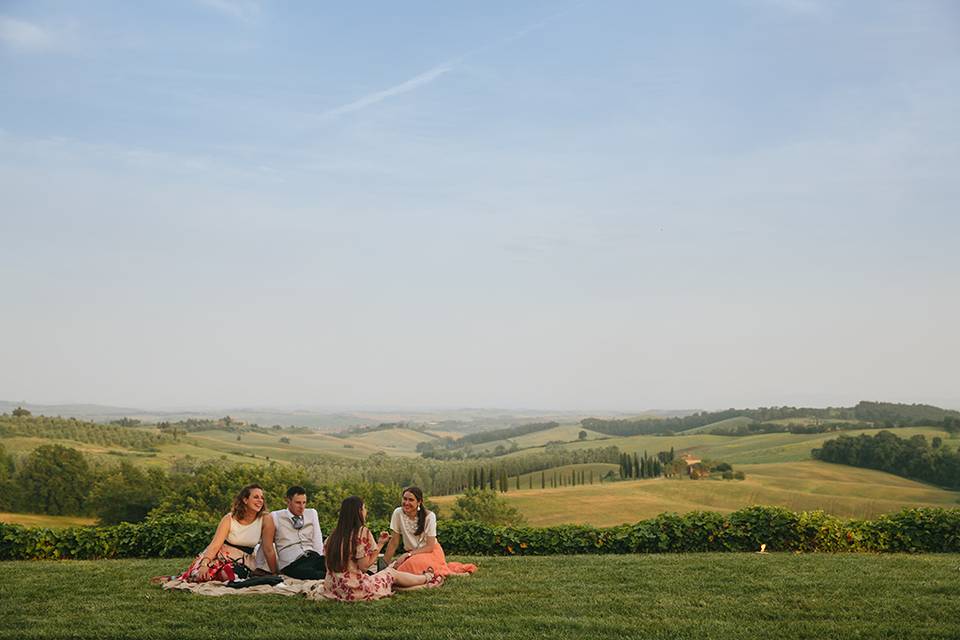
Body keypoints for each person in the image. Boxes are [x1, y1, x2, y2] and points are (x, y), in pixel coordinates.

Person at [309, 496, 437, 602]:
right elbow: (364, 566)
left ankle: (420, 582)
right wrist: (379, 547)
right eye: (364, 508)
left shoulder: (333, 535)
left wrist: (379, 544)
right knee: (391, 573)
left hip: (334, 588)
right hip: (355, 589)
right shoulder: (362, 532)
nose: (366, 511)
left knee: (388, 578)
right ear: (359, 511)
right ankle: (427, 577)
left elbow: (328, 561)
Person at [173, 483, 278, 583]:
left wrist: (274, 573)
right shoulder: (229, 519)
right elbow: (215, 545)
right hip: (219, 556)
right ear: (245, 500)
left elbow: (268, 549)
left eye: (262, 498)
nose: (260, 500)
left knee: (229, 575)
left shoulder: (266, 519)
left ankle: (223, 575)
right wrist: (205, 564)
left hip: (242, 561)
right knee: (200, 576)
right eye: (256, 497)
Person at [383, 486, 477, 577]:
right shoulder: (398, 513)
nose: (406, 503)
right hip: (413, 555)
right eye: (404, 499)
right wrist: (384, 566)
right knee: (395, 567)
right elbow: (393, 542)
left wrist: (407, 555)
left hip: (430, 553)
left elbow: (430, 546)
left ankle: (451, 573)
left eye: (411, 500)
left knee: (407, 567)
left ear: (419, 502)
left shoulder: (429, 516)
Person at [255, 485, 326, 580]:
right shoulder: (275, 517)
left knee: (337, 566)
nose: (302, 507)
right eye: (298, 503)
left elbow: (317, 539)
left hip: (312, 557)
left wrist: (319, 559)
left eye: (304, 503)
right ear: (288, 501)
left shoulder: (312, 513)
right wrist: (274, 571)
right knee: (318, 575)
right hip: (291, 563)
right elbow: (267, 547)